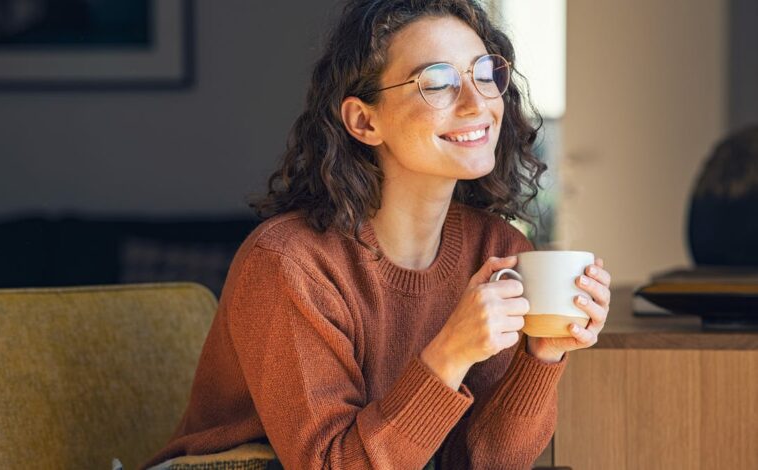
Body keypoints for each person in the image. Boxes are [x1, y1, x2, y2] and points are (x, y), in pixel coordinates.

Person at [144, 0, 612, 468]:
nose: (478, 103)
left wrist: (541, 356)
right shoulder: (288, 263)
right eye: (438, 82)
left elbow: (481, 461)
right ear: (365, 121)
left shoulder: (497, 251)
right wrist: (450, 352)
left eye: (484, 72)